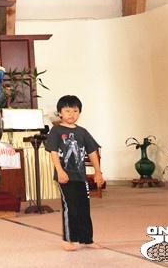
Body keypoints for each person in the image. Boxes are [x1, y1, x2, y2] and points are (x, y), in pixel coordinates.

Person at [45, 94, 104, 251]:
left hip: (80, 177)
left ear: (79, 113)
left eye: (75, 111)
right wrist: (60, 171)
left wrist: (98, 172)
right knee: (70, 207)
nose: (71, 114)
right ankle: (68, 239)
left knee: (84, 208)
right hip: (65, 176)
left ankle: (87, 239)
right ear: (60, 113)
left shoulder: (82, 132)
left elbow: (92, 151)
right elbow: (53, 152)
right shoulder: (56, 130)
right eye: (67, 111)